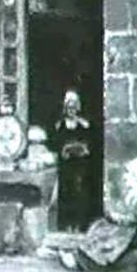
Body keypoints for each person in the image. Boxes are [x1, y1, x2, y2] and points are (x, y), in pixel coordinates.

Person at [59, 156, 137, 272]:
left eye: (128, 174)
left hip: (135, 236)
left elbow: (135, 220)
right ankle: (83, 256)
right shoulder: (134, 194)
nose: (125, 178)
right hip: (132, 231)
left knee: (106, 235)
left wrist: (117, 218)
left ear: (136, 177)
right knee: (99, 225)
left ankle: (85, 261)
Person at [53, 90, 95, 232]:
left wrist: (81, 149)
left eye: (74, 106)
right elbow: (56, 145)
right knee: (66, 193)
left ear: (78, 107)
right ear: (65, 108)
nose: (71, 109)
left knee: (80, 194)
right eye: (69, 106)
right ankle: (67, 225)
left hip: (80, 166)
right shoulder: (60, 126)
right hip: (66, 166)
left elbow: (89, 145)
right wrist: (64, 150)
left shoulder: (84, 125)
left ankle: (79, 225)